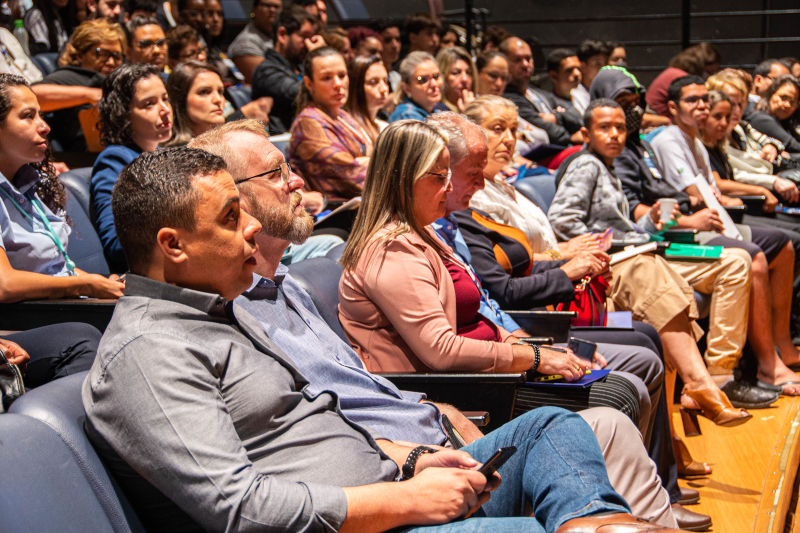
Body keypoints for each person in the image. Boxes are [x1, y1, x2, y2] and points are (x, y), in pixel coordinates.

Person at [86, 143, 680, 533]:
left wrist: (417, 457)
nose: (250, 228)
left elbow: (324, 415)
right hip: (369, 521)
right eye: (229, 217)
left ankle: (594, 522)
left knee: (553, 428)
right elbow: (238, 508)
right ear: (172, 245)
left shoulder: (225, 309)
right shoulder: (148, 352)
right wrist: (408, 501)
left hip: (392, 484)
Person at [425, 110, 706, 530]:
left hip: (519, 334)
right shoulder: (408, 243)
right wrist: (536, 353)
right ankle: (608, 503)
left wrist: (529, 342)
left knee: (643, 346)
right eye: (457, 173)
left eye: (513, 130)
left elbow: (490, 301)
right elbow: (464, 325)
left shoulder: (448, 225)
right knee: (623, 387)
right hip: (491, 374)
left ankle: (652, 492)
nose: (475, 181)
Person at [650, 75, 800, 386]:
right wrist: (713, 199)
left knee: (783, 244)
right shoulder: (668, 139)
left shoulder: (695, 140)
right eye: (693, 100)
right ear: (674, 107)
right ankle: (763, 365)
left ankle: (783, 344)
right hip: (687, 228)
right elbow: (690, 195)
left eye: (705, 98)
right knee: (752, 256)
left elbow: (710, 188)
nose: (702, 105)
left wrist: (719, 196)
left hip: (716, 219)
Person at [0, 73, 124, 303]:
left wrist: (104, 286)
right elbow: (4, 285)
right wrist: (84, 285)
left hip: (62, 307)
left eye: (41, 115)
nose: (45, 127)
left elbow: (58, 271)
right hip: (22, 321)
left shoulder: (30, 185)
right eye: (28, 116)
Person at [90, 63, 171, 273]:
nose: (165, 110)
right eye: (149, 104)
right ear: (124, 115)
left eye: (165, 98)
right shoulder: (115, 160)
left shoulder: (164, 155)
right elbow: (117, 243)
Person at [31, 18, 125, 151]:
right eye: (102, 54)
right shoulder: (72, 76)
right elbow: (31, 96)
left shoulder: (118, 79)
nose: (111, 62)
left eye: (117, 56)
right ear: (80, 55)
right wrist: (90, 94)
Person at [288, 47, 368, 201]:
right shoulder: (308, 123)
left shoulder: (343, 116)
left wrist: (366, 160)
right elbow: (352, 176)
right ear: (309, 83)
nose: (338, 84)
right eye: (326, 78)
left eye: (342, 75)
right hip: (334, 216)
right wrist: (367, 161)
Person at [251, 5, 324, 133]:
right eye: (304, 36)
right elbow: (304, 94)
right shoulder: (266, 71)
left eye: (311, 38)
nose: (309, 44)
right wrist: (319, 57)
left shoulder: (299, 67)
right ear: (282, 35)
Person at [500, 36, 581, 146]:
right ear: (503, 62)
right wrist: (571, 137)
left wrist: (555, 117)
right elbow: (549, 132)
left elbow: (577, 116)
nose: (525, 64)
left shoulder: (539, 93)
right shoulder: (508, 99)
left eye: (528, 59)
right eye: (517, 60)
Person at [227, 0, 279, 84]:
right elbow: (269, 82)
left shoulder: (279, 36)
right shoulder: (246, 41)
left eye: (277, 7)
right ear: (254, 10)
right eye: (267, 5)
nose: (272, 10)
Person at [746, 75, 800, 153]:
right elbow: (791, 145)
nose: (787, 104)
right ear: (771, 94)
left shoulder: (787, 123)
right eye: (783, 97)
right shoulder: (760, 119)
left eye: (793, 101)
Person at [388, 51, 447, 122]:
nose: (434, 84)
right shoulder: (407, 117)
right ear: (406, 88)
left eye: (436, 76)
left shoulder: (436, 113)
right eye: (422, 79)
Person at [344, 53, 389, 145]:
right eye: (373, 82)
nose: (383, 89)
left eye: (385, 81)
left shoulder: (384, 127)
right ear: (356, 86)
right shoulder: (347, 127)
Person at [573, 39, 609, 114]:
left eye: (605, 63)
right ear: (583, 67)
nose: (603, 68)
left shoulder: (608, 92)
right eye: (597, 64)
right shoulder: (574, 96)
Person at [436, 46, 475, 113]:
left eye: (468, 73)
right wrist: (469, 114)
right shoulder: (437, 112)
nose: (464, 79)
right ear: (442, 77)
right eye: (456, 73)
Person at [371, 18, 400, 90]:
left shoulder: (397, 77)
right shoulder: (370, 80)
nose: (395, 45)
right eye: (387, 40)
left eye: (398, 39)